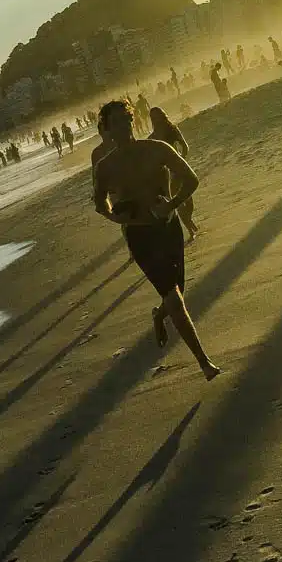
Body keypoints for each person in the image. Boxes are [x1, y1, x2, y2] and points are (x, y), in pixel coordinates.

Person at [93, 100, 219, 380]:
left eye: (126, 119)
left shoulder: (157, 149)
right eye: (115, 123)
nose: (123, 126)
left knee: (176, 297)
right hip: (140, 237)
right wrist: (118, 217)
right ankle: (204, 361)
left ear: (132, 120)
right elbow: (100, 204)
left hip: (169, 229)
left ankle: (159, 315)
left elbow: (191, 179)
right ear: (107, 129)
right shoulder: (105, 167)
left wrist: (173, 203)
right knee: (175, 299)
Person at [149, 106, 198, 241]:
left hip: (179, 171)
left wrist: (181, 161)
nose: (156, 119)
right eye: (153, 118)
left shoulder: (172, 129)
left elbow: (184, 146)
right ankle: (189, 228)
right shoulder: (152, 138)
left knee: (188, 200)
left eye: (157, 116)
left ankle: (189, 219)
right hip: (167, 175)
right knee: (178, 201)